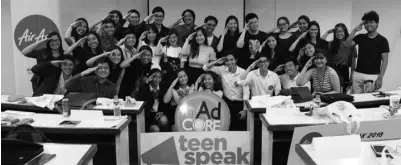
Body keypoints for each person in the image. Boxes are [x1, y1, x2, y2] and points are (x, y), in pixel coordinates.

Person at [345, 11, 390, 93]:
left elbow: (385, 60)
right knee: (356, 100)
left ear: (377, 23)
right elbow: (347, 44)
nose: (368, 24)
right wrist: (355, 30)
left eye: (371, 22)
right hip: (357, 74)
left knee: (369, 102)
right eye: (366, 23)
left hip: (372, 76)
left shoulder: (382, 40)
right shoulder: (360, 37)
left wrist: (380, 78)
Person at [203, 53, 250, 131]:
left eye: (231, 60)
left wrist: (245, 109)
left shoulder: (243, 72)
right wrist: (217, 62)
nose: (229, 62)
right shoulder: (222, 69)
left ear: (236, 60)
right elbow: (205, 68)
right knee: (227, 128)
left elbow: (246, 93)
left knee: (241, 129)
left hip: (240, 104)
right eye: (227, 60)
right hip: (227, 103)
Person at [321, 23, 357, 90]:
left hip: (344, 70)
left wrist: (352, 77)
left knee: (342, 92)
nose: (339, 33)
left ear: (345, 32)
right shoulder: (331, 44)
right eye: (337, 32)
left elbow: (353, 63)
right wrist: (327, 32)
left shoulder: (351, 44)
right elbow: (320, 43)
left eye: (341, 31)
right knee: (331, 91)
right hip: (332, 70)